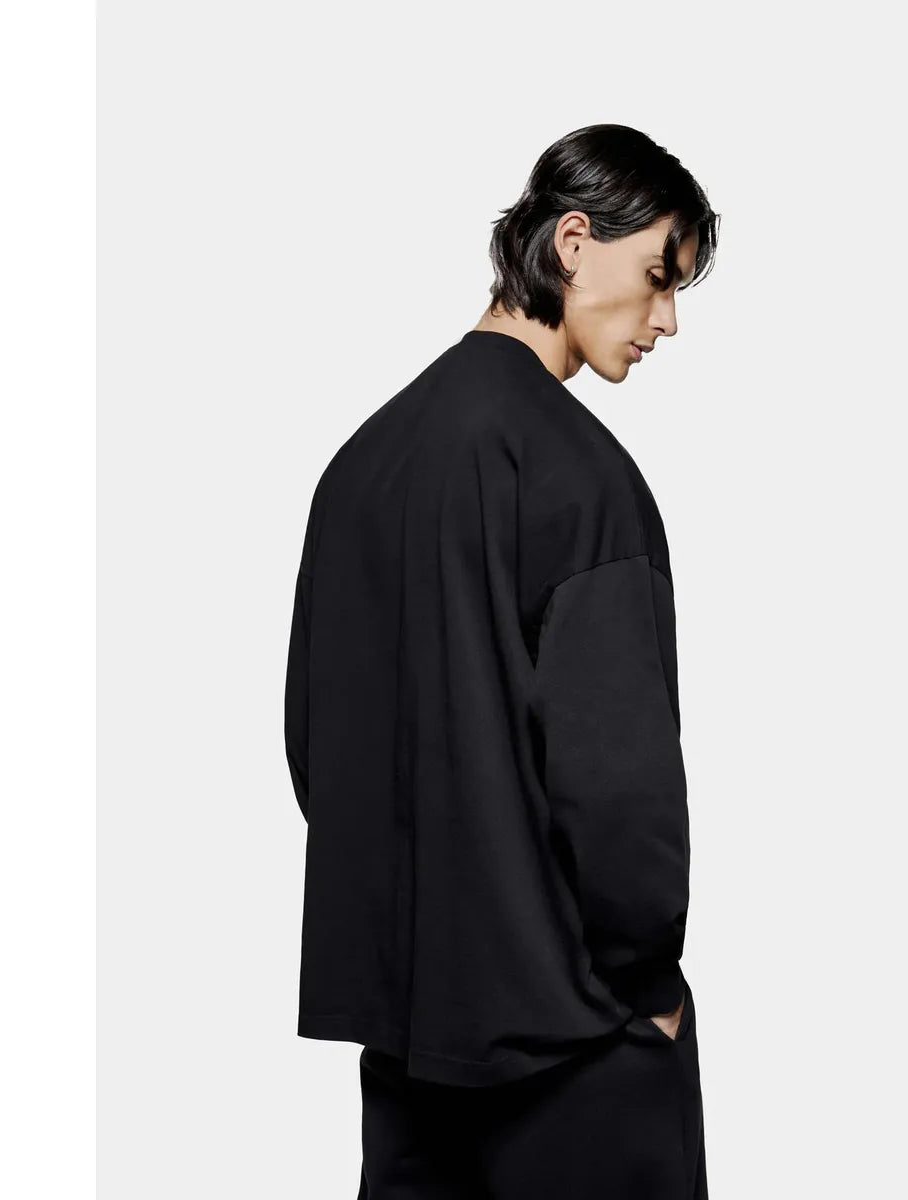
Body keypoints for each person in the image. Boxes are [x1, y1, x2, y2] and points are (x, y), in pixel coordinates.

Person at [284, 122, 721, 1198]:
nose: (667, 319)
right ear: (573, 243)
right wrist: (648, 984)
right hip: (575, 1051)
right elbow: (619, 786)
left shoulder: (362, 466)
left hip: (411, 1052)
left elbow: (316, 743)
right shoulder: (583, 479)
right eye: (658, 275)